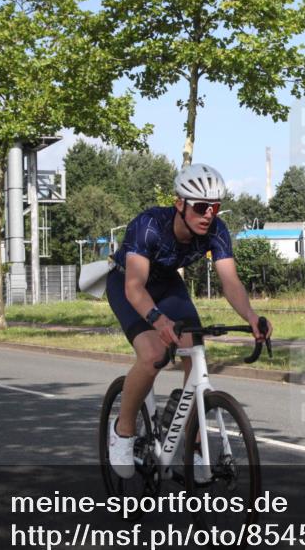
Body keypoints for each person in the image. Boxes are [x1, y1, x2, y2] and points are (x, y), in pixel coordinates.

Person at [105, 163, 273, 480]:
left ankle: (195, 449)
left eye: (215, 207)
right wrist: (158, 320)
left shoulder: (217, 231)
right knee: (154, 354)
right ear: (180, 204)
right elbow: (135, 287)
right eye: (200, 207)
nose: (208, 214)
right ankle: (123, 429)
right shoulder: (149, 225)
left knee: (195, 353)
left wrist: (251, 317)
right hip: (129, 283)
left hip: (168, 284)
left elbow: (230, 282)